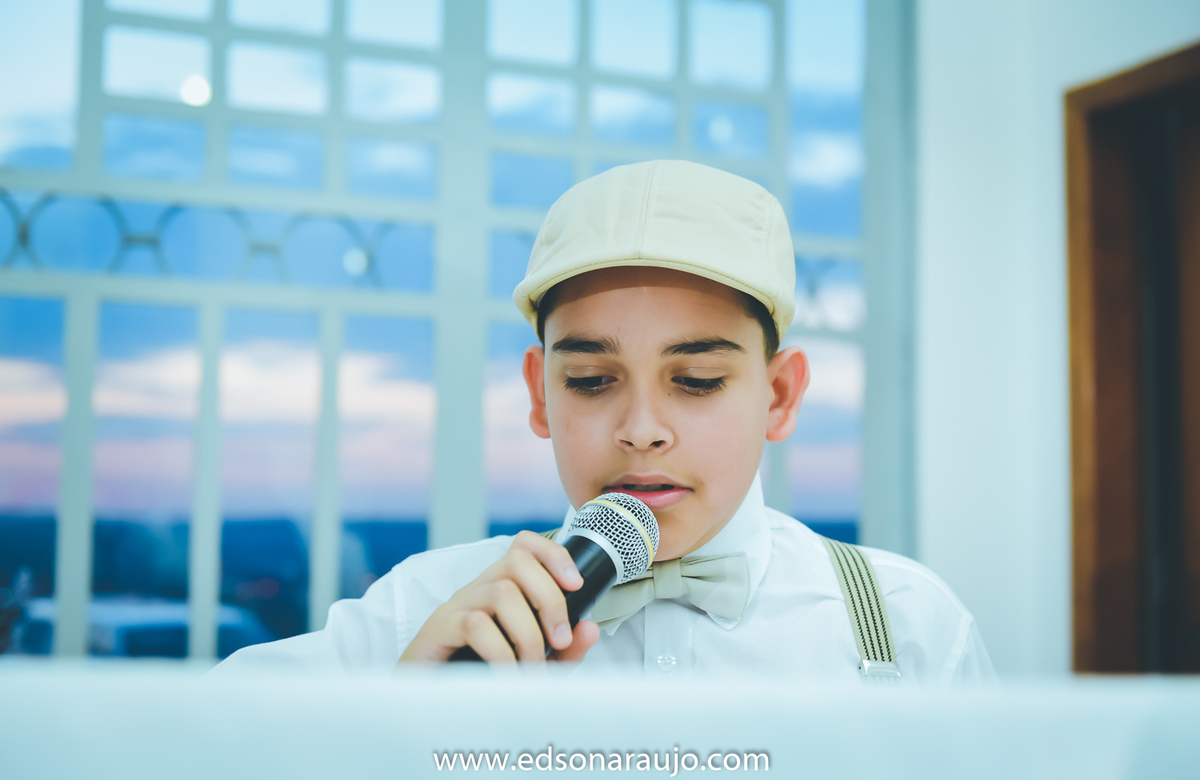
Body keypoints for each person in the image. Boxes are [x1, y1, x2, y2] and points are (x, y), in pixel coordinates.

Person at [213, 160, 994, 683]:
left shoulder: (909, 626)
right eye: (591, 380)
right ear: (541, 394)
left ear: (781, 396)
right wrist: (395, 729)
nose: (642, 427)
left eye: (696, 379)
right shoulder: (419, 611)